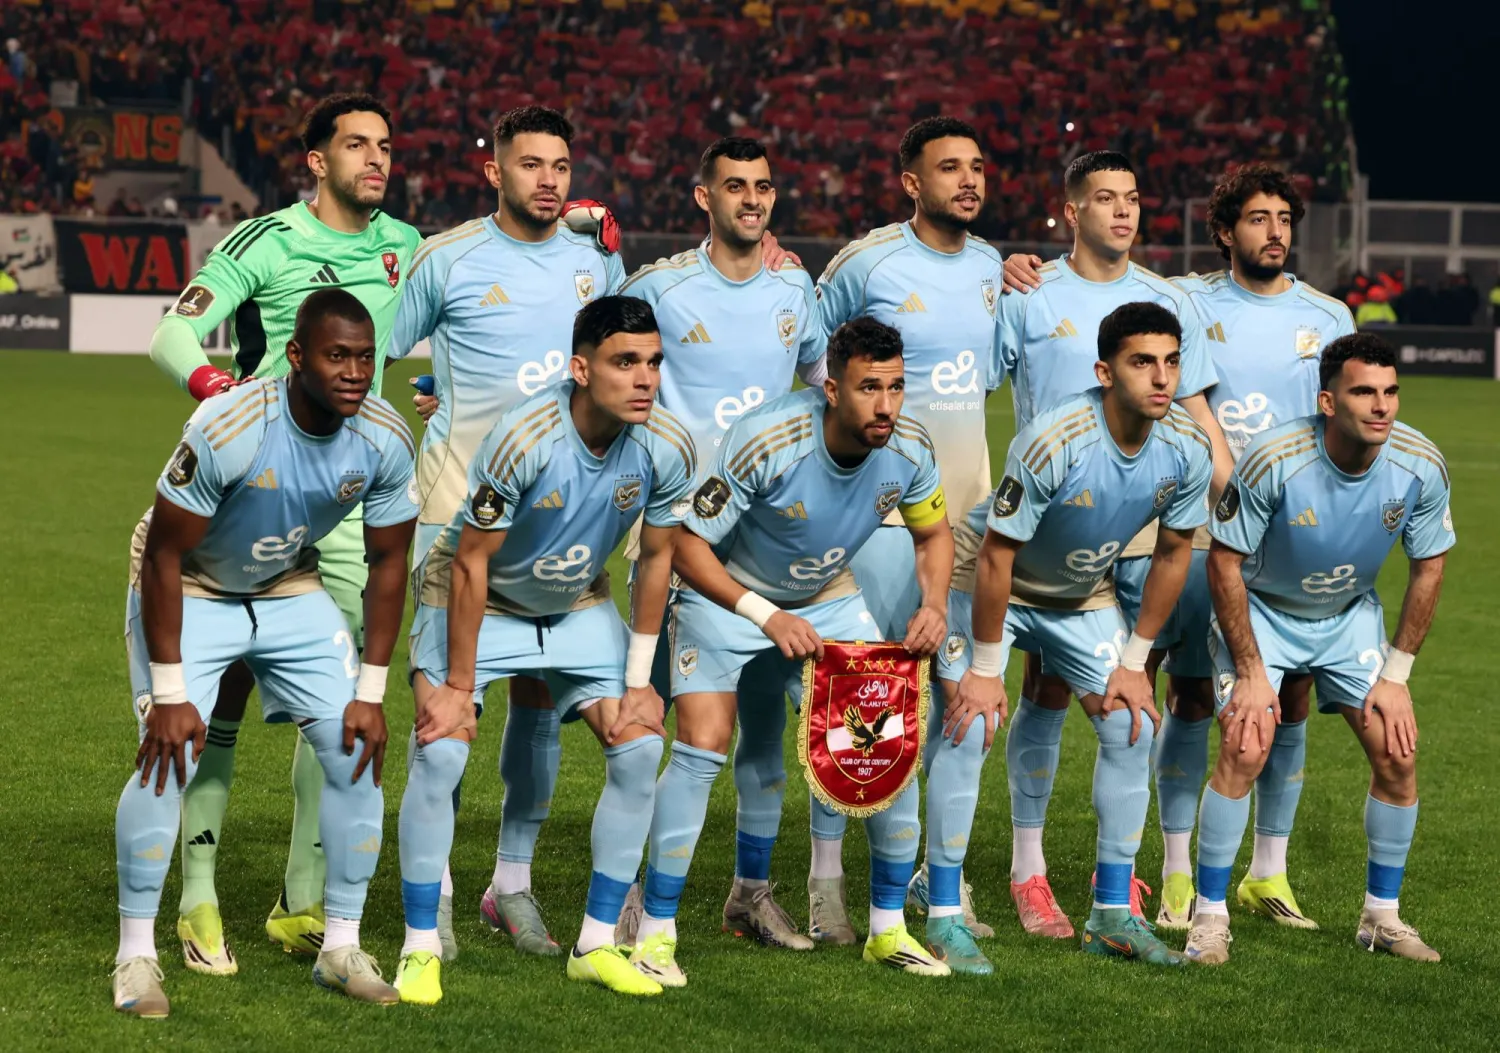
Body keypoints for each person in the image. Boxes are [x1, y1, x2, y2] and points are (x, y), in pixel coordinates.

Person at [144, 92, 422, 968]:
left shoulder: (409, 248)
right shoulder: (266, 241)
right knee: (216, 698)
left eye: (385, 146)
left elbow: (471, 309)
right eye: (356, 145)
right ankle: (197, 899)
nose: (376, 159)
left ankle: (302, 900)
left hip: (344, 501)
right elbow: (173, 332)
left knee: (342, 710)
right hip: (253, 494)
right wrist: (214, 391)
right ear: (316, 158)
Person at [113, 289, 419, 1017]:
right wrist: (170, 689)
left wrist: (370, 693)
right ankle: (135, 957)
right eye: (335, 355)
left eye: (364, 357)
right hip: (189, 585)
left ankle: (340, 945)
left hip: (287, 586)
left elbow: (388, 562)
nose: (353, 372)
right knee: (170, 753)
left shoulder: (383, 434)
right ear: (296, 357)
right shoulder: (232, 424)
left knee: (354, 744)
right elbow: (161, 554)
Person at [392, 296, 696, 1003]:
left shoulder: (666, 444)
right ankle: (419, 945)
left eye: (653, 361)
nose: (645, 377)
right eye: (626, 362)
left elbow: (656, 559)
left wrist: (640, 678)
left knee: (641, 742)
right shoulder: (525, 434)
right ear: (581, 369)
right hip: (477, 593)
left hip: (574, 602)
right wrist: (456, 687)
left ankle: (594, 943)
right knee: (443, 743)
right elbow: (469, 561)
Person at [638, 317, 954, 984]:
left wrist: (934, 604)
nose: (887, 404)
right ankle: (655, 927)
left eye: (897, 386)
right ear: (831, 388)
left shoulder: (910, 446)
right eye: (870, 387)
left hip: (825, 596)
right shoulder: (770, 437)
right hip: (725, 595)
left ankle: (888, 929)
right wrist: (765, 614)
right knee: (704, 741)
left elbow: (933, 533)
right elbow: (686, 549)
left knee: (885, 741)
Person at [385, 106, 626, 958]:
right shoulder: (446, 257)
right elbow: (379, 347)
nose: (550, 179)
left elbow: (616, 357)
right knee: (449, 715)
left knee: (537, 705)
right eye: (531, 164)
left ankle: (510, 884)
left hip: (566, 535)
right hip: (457, 527)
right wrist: (433, 395)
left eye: (561, 164)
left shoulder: (597, 258)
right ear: (495, 171)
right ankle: (438, 889)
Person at [993, 151, 1232, 938]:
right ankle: (1028, 867)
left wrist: (1220, 480)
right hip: (1050, 533)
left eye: (1133, 198)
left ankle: (1122, 879)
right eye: (1104, 199)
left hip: (1149, 532)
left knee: (1134, 700)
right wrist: (996, 270)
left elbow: (1192, 403)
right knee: (1044, 690)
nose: (1123, 212)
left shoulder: (1166, 299)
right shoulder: (1029, 289)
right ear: (1071, 210)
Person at [942, 301, 1211, 967]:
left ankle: (1112, 913)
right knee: (968, 724)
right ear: (1103, 370)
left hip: (1080, 593)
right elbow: (999, 554)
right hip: (988, 579)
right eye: (1142, 361)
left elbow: (1175, 553)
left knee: (1132, 722)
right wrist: (982, 667)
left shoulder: (1187, 448)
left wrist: (1135, 659)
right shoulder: (1054, 437)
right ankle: (943, 907)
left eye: (1171, 362)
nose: (1161, 377)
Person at [610, 135, 828, 950]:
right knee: (652, 722)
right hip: (672, 538)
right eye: (735, 187)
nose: (752, 200)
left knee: (764, 735)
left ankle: (750, 892)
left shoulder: (794, 287)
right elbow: (598, 363)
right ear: (704, 197)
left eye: (764, 187)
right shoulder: (662, 287)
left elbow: (816, 385)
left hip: (764, 547)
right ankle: (628, 888)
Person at [795, 116, 1004, 944]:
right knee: (855, 701)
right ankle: (825, 882)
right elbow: (810, 359)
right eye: (949, 167)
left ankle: (937, 882)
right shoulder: (866, 262)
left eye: (977, 167)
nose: (968, 179)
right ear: (910, 181)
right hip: (876, 525)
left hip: (969, 525)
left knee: (964, 707)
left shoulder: (995, 267)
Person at [1186, 333, 1453, 965]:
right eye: (1364, 392)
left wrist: (1396, 675)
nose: (1382, 406)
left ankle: (1380, 917)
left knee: (1397, 752)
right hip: (1263, 613)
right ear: (1328, 401)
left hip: (1348, 619)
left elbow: (1430, 569)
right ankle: (1209, 917)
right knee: (1246, 745)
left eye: (1390, 392)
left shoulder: (1420, 464)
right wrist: (1251, 670)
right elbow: (1223, 564)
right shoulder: (1274, 459)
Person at [1149, 163, 1356, 930]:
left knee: (1287, 699)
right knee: (1195, 694)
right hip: (1204, 526)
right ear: (1226, 229)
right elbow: (1180, 387)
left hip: (1292, 539)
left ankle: (1267, 872)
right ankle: (1177, 871)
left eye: (1283, 218)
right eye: (1257, 217)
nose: (1274, 231)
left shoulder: (1328, 314)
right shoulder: (1188, 301)